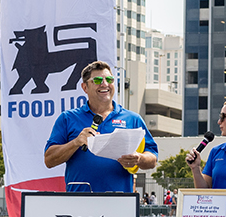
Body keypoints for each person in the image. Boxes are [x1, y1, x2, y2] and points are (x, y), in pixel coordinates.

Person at [44, 61, 159, 193]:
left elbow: (153, 159)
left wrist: (139, 158)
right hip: (79, 203)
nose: (104, 84)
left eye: (109, 79)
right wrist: (75, 142)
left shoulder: (132, 119)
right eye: (97, 80)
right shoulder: (67, 118)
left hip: (119, 203)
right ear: (85, 87)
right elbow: (49, 160)